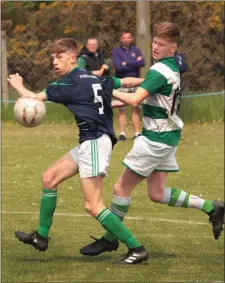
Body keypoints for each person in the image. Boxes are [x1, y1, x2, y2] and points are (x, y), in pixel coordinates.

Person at [80, 22, 224, 257]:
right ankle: (211, 207)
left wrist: (104, 88)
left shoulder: (160, 70)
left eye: (162, 44)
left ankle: (110, 239)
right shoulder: (170, 68)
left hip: (155, 139)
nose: (156, 47)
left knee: (120, 188)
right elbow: (148, 96)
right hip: (167, 136)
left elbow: (136, 100)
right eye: (155, 42)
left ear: (173, 47)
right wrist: (112, 101)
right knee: (156, 193)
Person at [7, 38, 149, 265]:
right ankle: (41, 237)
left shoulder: (69, 83)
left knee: (93, 205)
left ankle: (136, 247)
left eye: (59, 57)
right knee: (49, 178)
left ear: (72, 57)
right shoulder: (94, 77)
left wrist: (17, 84)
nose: (54, 62)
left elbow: (33, 98)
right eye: (52, 58)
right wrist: (151, 81)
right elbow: (123, 81)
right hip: (91, 142)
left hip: (93, 141)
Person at [112, 31, 145, 141]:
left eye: (128, 37)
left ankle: (137, 133)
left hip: (136, 82)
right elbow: (119, 67)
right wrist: (134, 63)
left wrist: (126, 63)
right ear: (121, 39)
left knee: (136, 108)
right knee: (121, 108)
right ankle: (122, 133)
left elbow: (142, 63)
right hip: (122, 82)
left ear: (131, 38)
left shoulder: (136, 50)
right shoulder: (116, 51)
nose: (126, 39)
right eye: (124, 37)